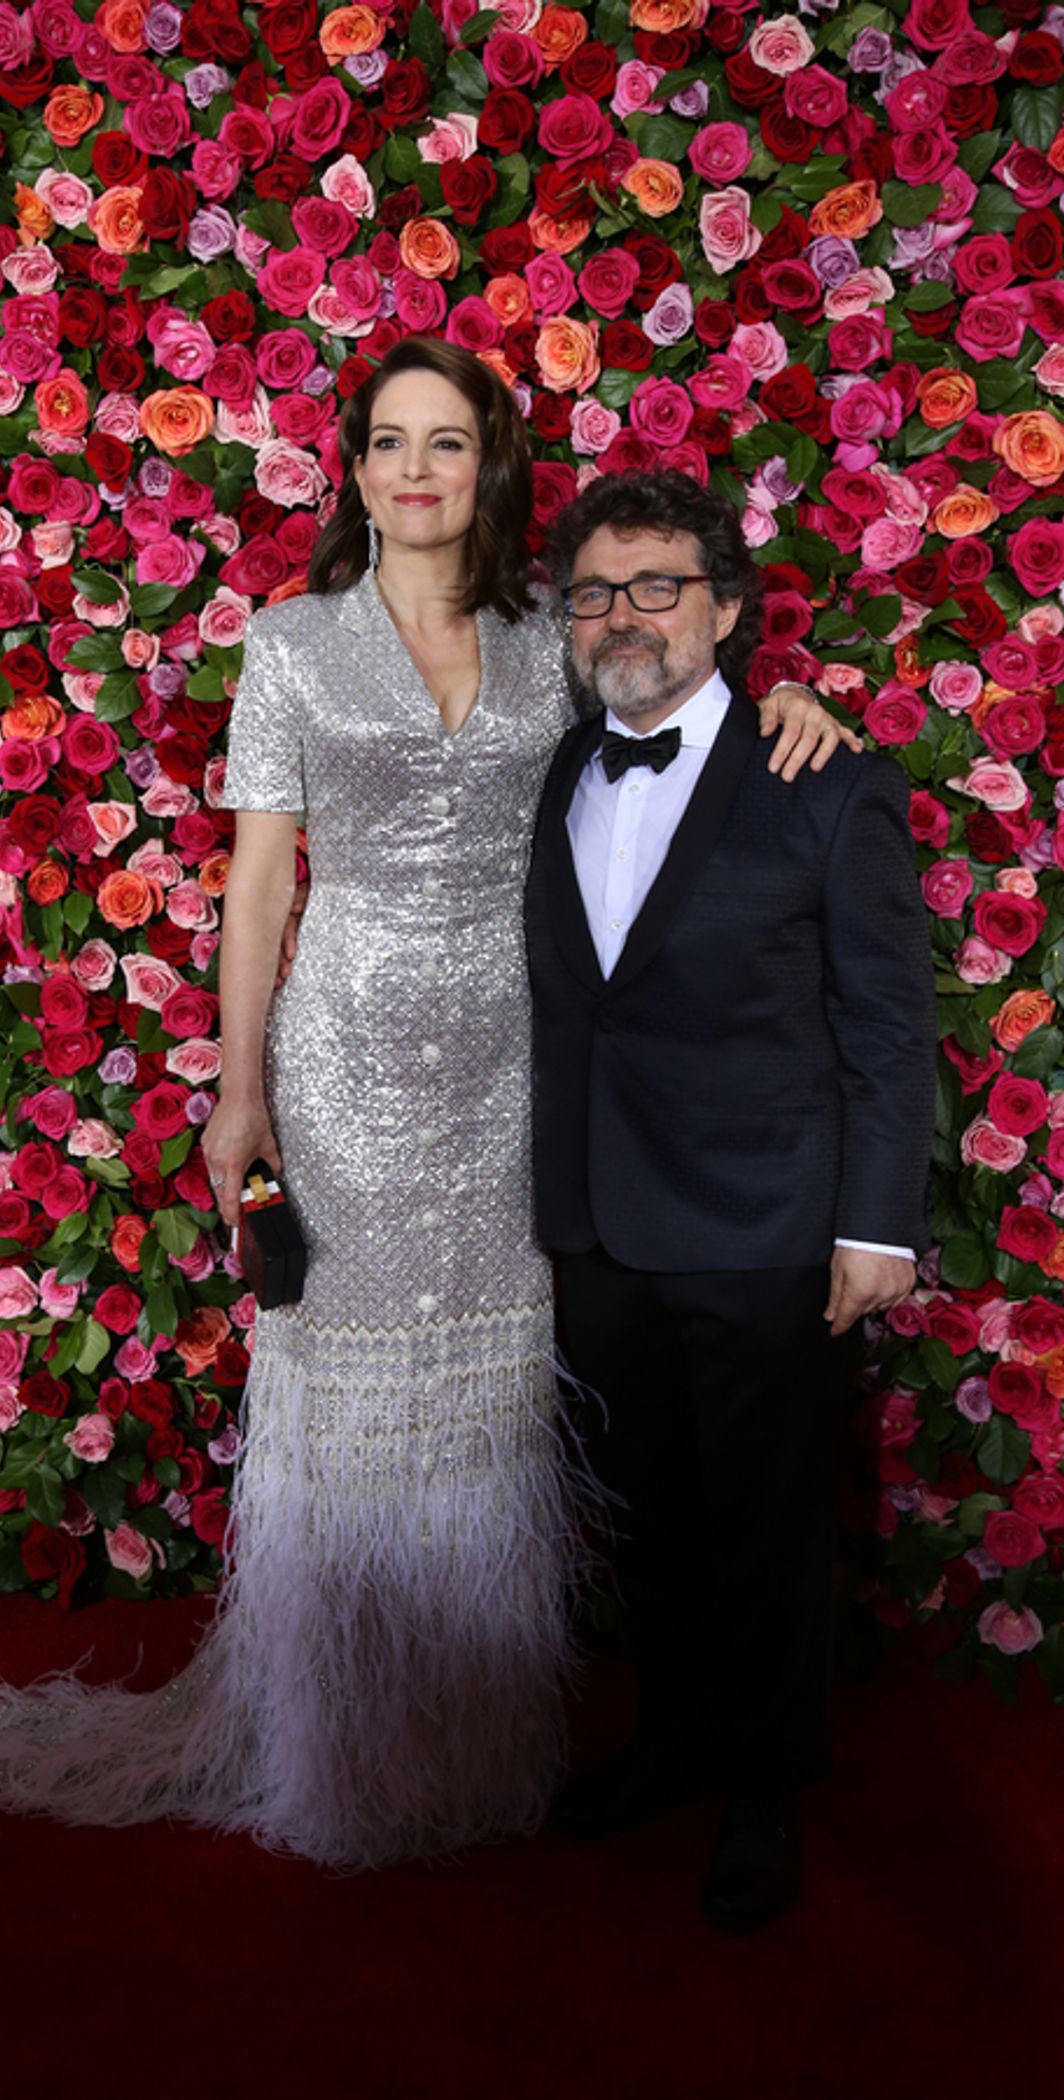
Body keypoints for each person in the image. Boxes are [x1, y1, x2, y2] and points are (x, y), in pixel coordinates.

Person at [0, 342, 851, 1869]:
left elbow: (667, 709)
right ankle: (341, 1756)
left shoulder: (557, 634)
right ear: (352, 470)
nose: (419, 470)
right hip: (344, 1057)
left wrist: (787, 691)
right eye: (391, 443)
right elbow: (262, 878)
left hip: (519, 1070)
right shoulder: (288, 646)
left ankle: (473, 1751)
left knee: (485, 1419)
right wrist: (242, 1090)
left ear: (489, 468)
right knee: (348, 1415)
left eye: (451, 442)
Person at [525, 470, 936, 1928]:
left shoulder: (824, 777)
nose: (621, 616)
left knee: (768, 1522)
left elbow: (888, 1022)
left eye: (655, 586)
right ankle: (675, 1742)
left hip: (767, 1225)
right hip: (599, 1226)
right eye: (593, 591)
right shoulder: (556, 769)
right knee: (648, 1514)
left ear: (727, 607)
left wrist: (877, 1226)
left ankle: (766, 1794)